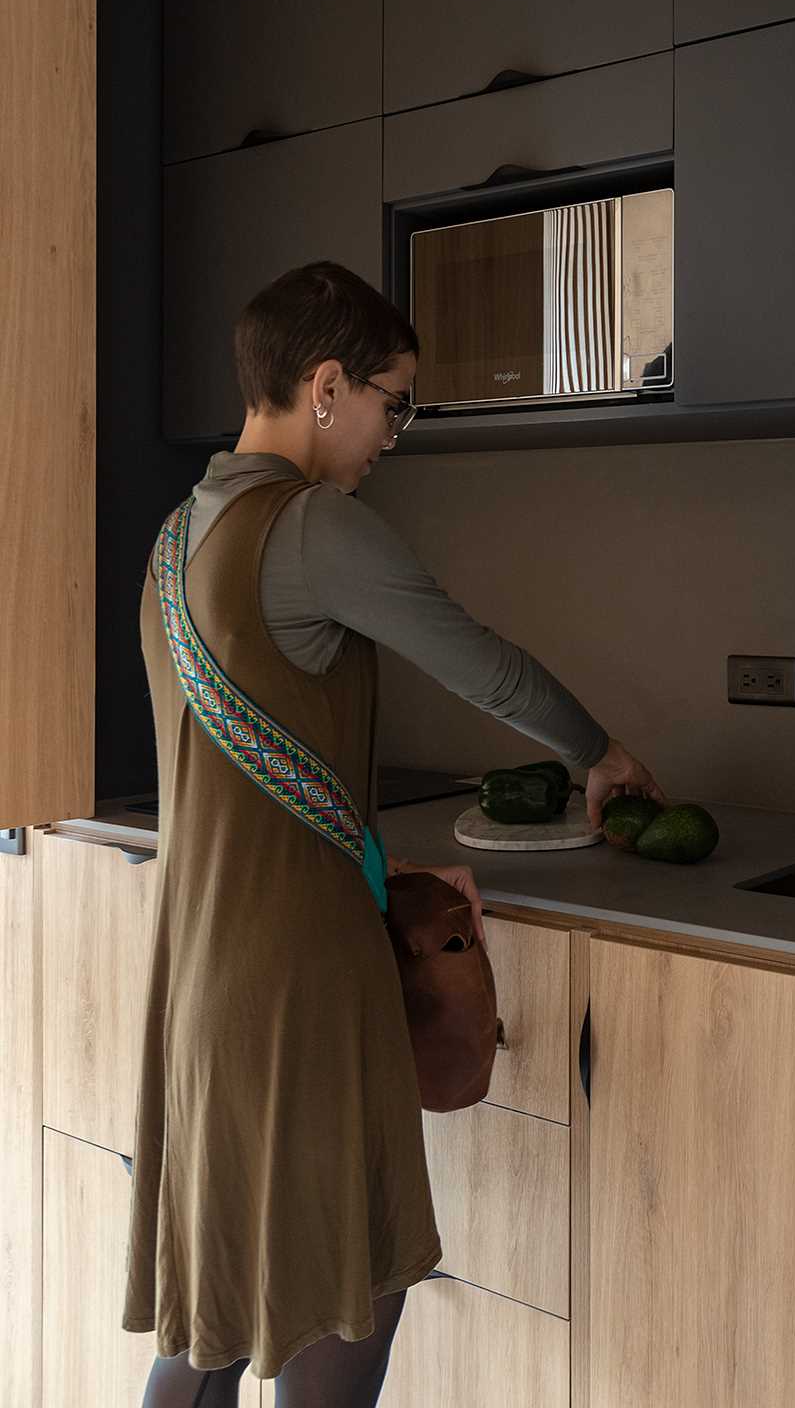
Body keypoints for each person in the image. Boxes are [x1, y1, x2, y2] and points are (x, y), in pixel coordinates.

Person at [126, 259, 664, 1405]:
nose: (392, 434)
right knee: (351, 1280)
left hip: (198, 976)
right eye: (393, 402)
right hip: (299, 984)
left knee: (213, 1313)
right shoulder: (312, 526)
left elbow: (249, 786)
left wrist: (373, 858)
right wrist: (601, 755)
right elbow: (484, 663)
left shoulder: (176, 544)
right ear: (326, 386)